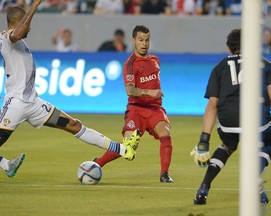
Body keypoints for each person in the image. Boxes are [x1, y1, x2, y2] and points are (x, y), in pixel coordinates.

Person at [0, 2, 141, 178]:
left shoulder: (19, 42)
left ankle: (121, 149)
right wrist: (34, 5)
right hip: (16, 104)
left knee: (74, 125)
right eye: (27, 23)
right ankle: (5, 164)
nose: (30, 27)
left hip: (34, 103)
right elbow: (18, 32)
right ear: (20, 21)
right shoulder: (7, 38)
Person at [191, 28, 271, 205]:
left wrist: (204, 139)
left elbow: (212, 104)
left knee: (227, 145)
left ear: (229, 48)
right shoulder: (264, 63)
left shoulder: (219, 67)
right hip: (257, 123)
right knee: (270, 139)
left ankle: (203, 188)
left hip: (228, 123)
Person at [93, 25, 174, 183]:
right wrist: (150, 92)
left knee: (165, 133)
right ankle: (98, 162)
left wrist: (154, 96)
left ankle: (164, 174)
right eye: (140, 40)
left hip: (155, 109)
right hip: (136, 110)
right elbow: (130, 90)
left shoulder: (155, 60)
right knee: (129, 148)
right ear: (133, 40)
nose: (144, 43)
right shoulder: (130, 64)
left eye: (147, 40)